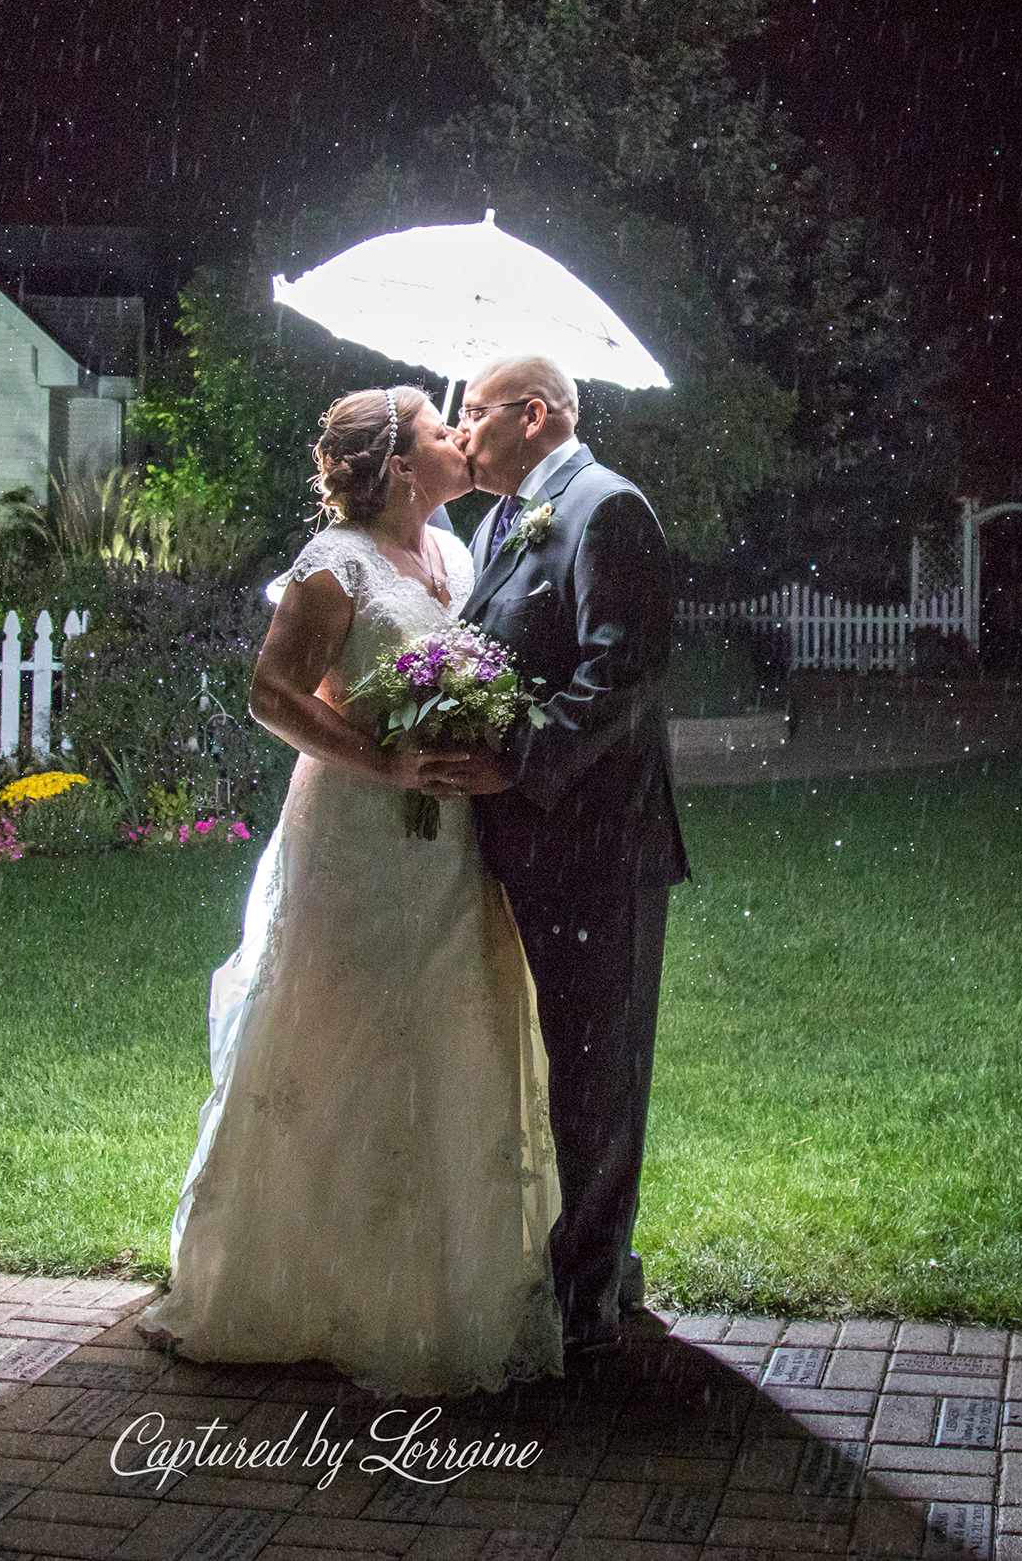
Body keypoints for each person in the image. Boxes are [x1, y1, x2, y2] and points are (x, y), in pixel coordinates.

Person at [139, 385, 563, 1395]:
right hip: (357, 835)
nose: (459, 438)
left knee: (443, 1025)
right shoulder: (332, 568)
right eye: (437, 431)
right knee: (340, 1031)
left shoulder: (458, 554)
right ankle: (298, 1281)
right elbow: (270, 694)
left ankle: (437, 1282)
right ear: (399, 465)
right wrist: (386, 762)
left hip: (447, 839)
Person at [436, 354, 691, 1355]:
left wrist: (513, 762)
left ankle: (587, 1307)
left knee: (595, 1071)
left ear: (533, 414)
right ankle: (598, 1270)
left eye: (475, 414)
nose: (463, 433)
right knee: (559, 1066)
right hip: (528, 844)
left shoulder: (604, 508)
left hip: (597, 845)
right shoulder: (503, 520)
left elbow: (617, 675)